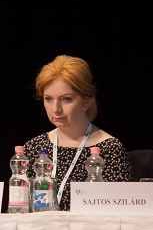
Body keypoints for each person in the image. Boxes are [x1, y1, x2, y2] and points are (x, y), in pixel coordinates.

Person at [22, 55, 132, 211]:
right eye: (48, 99)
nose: (56, 109)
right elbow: (18, 208)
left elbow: (120, 213)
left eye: (66, 99)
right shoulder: (34, 147)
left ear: (87, 101)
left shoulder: (110, 149)